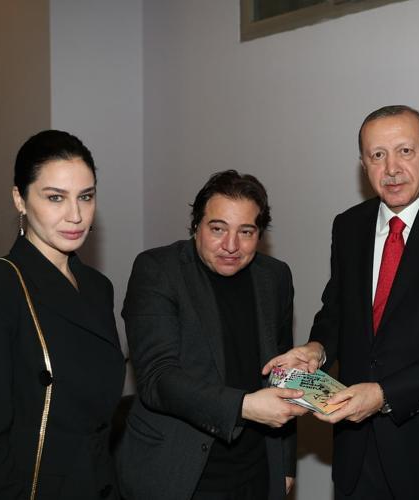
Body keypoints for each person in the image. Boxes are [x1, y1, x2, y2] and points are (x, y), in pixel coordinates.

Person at [264, 105, 419, 499]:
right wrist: (317, 349)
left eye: (405, 151)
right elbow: (337, 310)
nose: (391, 168)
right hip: (357, 450)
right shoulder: (348, 225)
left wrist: (385, 394)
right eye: (377, 155)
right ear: (363, 164)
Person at [0, 130, 125, 499]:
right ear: (20, 199)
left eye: (86, 196)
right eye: (55, 197)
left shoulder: (97, 288)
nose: (75, 215)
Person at [116, 170, 307, 500]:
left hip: (257, 470)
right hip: (179, 471)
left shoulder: (275, 277)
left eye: (245, 232)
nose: (231, 246)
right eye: (218, 229)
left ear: (259, 234)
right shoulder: (157, 269)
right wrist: (243, 407)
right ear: (196, 226)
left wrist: (286, 464)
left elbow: (283, 371)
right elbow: (157, 379)